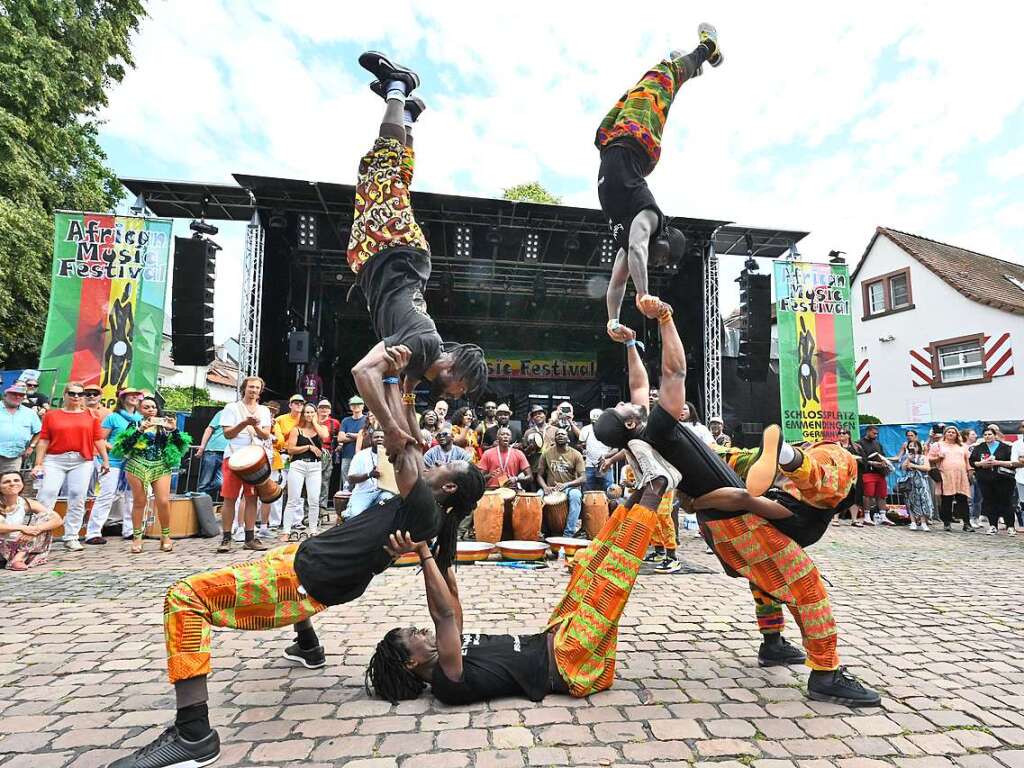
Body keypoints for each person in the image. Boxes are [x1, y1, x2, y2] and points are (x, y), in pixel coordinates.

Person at [109, 368, 486, 768]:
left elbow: (407, 449)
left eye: (443, 467)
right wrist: (407, 391)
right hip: (305, 561)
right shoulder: (423, 507)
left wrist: (391, 383)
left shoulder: (425, 511)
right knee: (284, 551)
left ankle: (193, 734)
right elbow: (411, 442)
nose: (432, 463)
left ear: (448, 488)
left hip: (303, 580)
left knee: (186, 597)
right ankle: (308, 645)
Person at [593, 307, 879, 706]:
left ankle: (773, 643)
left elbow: (639, 384)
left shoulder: (642, 437)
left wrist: (630, 345)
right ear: (629, 424)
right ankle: (826, 674)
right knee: (807, 588)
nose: (633, 400)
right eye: (626, 408)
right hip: (737, 518)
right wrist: (666, 320)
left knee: (763, 579)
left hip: (726, 521)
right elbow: (673, 373)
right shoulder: (656, 429)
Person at [367, 451, 680, 705]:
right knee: (611, 579)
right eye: (413, 635)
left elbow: (452, 596)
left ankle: (641, 488)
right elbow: (443, 614)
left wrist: (442, 530)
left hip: (557, 635)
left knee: (588, 566)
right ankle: (657, 488)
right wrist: (421, 550)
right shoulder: (447, 681)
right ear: (410, 663)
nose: (420, 630)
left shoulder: (450, 649)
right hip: (569, 661)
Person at [347, 52, 486, 461]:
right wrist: (391, 431)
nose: (458, 397)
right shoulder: (423, 344)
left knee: (396, 179)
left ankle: (408, 115)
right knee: (380, 169)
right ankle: (398, 86)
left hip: (397, 253)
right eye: (462, 389)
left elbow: (404, 400)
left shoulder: (418, 361)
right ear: (454, 372)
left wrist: (416, 439)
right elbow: (362, 372)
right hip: (393, 249)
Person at [601, 26, 721, 340]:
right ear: (665, 241)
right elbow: (641, 249)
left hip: (618, 144)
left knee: (663, 82)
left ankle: (690, 68)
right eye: (664, 257)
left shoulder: (629, 242)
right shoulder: (649, 215)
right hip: (634, 139)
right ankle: (707, 47)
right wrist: (643, 295)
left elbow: (615, 284)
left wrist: (613, 321)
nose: (658, 260)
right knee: (665, 78)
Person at [33, 381, 109, 552]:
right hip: (55, 459)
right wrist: (38, 463)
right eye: (72, 393)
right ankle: (40, 535)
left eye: (79, 394)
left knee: (77, 496)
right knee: (47, 494)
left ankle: (72, 536)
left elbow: (98, 439)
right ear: (65, 395)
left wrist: (105, 460)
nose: (76, 397)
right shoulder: (52, 415)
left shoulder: (91, 416)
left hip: (81, 460)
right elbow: (44, 440)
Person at [111, 396, 191, 553]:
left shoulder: (164, 425)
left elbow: (181, 446)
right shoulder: (134, 424)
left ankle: (166, 536)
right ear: (140, 409)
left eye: (153, 407)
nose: (150, 410)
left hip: (160, 465)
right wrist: (140, 430)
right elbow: (124, 447)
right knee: (139, 501)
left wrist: (174, 430)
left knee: (163, 501)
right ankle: (137, 538)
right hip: (137, 464)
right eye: (146, 407)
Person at [216, 376, 271, 553]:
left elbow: (265, 435)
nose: (253, 390)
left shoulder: (263, 410)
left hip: (254, 458)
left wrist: (254, 426)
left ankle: (249, 537)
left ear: (260, 390)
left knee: (252, 497)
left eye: (257, 387)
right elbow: (227, 434)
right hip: (234, 456)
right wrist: (244, 423)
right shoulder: (231, 408)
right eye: (250, 387)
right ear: (244, 388)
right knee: (230, 497)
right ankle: (226, 537)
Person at [85, 387, 143, 544]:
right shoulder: (113, 417)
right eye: (129, 395)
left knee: (131, 496)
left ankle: (130, 530)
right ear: (122, 398)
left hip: (132, 462)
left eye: (136, 395)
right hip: (112, 461)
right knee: (106, 495)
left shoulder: (140, 419)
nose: (133, 397)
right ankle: (93, 532)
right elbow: (100, 439)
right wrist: (118, 449)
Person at [283, 403, 329, 539]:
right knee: (293, 499)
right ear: (302, 415)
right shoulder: (296, 430)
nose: (309, 415)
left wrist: (315, 422)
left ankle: (313, 530)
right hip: (298, 465)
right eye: (306, 413)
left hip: (315, 466)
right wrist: (308, 447)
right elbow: (290, 449)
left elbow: (324, 436)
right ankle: (286, 531)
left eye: (312, 412)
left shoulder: (321, 428)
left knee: (314, 499)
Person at [0, 470, 61, 570]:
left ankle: (17, 559)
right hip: (2, 545)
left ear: (22, 484)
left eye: (16, 480)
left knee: (45, 518)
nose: (12, 483)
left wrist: (35, 530)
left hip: (19, 544)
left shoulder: (25, 502)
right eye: (7, 482)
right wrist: (24, 528)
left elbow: (57, 519)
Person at [537, 428, 586, 537]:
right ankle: (538, 531)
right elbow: (539, 475)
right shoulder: (546, 453)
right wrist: (545, 487)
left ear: (568, 438)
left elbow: (583, 478)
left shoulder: (576, 454)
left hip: (568, 488)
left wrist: (566, 485)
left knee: (576, 495)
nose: (560, 435)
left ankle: (568, 534)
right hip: (550, 488)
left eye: (563, 434)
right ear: (554, 438)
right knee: (537, 496)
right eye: (557, 434)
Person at [970, 427, 1016, 535]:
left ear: (995, 435)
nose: (987, 436)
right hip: (985, 479)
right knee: (990, 502)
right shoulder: (979, 447)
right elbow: (972, 462)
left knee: (1006, 502)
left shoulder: (1005, 447)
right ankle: (993, 526)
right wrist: (981, 464)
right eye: (985, 435)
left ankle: (1010, 526)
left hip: (1004, 479)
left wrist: (997, 462)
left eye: (990, 434)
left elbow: (1012, 462)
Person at [928, 426, 972, 532]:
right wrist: (939, 457)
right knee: (946, 500)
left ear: (957, 434)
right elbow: (929, 458)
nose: (951, 434)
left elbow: (967, 461)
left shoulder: (962, 446)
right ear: (945, 434)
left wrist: (970, 472)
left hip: (961, 476)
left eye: (953, 432)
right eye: (948, 432)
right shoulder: (938, 445)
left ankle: (967, 523)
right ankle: (947, 523)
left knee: (963, 500)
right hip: (945, 475)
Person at [345, 429, 394, 517]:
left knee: (390, 504)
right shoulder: (361, 455)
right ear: (371, 439)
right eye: (376, 437)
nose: (379, 439)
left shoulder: (392, 455)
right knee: (354, 515)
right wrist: (369, 475)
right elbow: (350, 479)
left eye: (382, 437)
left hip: (384, 492)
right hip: (363, 493)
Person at [0, 382, 41, 474]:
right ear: (5, 395)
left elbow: (39, 431)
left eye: (21, 395)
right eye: (14, 394)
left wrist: (31, 447)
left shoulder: (30, 413)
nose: (18, 397)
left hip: (15, 457)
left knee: (10, 484)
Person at [855, 425, 891, 525]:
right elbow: (859, 458)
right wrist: (873, 463)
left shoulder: (878, 444)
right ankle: (867, 517)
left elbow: (883, 456)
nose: (875, 435)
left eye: (877, 434)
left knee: (882, 495)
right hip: (867, 472)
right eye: (874, 433)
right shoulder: (859, 443)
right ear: (867, 432)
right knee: (868, 495)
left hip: (880, 473)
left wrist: (885, 463)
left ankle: (883, 516)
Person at [477, 426, 532, 490]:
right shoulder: (487, 453)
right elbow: (479, 478)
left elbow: (530, 477)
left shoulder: (519, 454)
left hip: (511, 489)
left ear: (511, 438)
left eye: (508, 435)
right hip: (492, 490)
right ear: (497, 437)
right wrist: (489, 476)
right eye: (502, 434)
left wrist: (516, 479)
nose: (505, 436)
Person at [900, 439, 934, 531]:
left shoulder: (923, 457)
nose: (912, 448)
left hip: (921, 482)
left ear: (919, 447)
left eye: (914, 446)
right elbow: (903, 468)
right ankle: (913, 522)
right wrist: (908, 459)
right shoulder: (906, 457)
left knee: (922, 500)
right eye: (910, 446)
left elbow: (927, 467)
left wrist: (914, 466)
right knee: (910, 501)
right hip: (910, 482)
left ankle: (923, 522)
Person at [580, 408, 615, 492]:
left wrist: (605, 456)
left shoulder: (610, 429)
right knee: (588, 491)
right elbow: (580, 444)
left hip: (605, 465)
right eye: (593, 422)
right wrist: (583, 449)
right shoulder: (585, 429)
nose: (595, 424)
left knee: (610, 490)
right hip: (589, 465)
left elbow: (616, 449)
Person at [195, 409, 227, 499]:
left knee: (220, 482)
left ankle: (200, 496)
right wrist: (202, 446)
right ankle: (199, 504)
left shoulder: (243, 417)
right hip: (212, 451)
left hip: (229, 454)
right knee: (205, 481)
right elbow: (209, 429)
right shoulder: (223, 413)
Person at [337, 396, 367, 490]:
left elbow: (368, 437)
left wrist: (354, 436)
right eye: (353, 404)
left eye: (358, 404)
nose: (356, 406)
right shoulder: (346, 421)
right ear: (350, 407)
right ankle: (345, 502)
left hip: (363, 455)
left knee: (362, 480)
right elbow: (340, 438)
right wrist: (359, 436)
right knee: (346, 481)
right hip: (347, 455)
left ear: (363, 406)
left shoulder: (367, 420)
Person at [317, 399, 341, 508]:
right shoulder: (312, 420)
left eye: (326, 408)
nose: (324, 410)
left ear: (330, 410)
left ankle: (322, 507)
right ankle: (308, 508)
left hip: (327, 454)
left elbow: (340, 437)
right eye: (321, 407)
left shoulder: (334, 423)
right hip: (312, 453)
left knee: (324, 481)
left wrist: (340, 446)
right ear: (317, 409)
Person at [1012, 421, 1024, 527]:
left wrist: (1022, 459)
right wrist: (1019, 460)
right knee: (1022, 502)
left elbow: (1020, 460)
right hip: (1021, 477)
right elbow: (1014, 461)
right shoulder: (1016, 444)